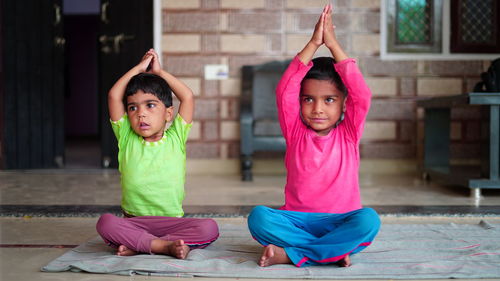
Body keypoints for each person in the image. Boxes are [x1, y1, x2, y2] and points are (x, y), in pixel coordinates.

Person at [247, 5, 380, 267]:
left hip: (341, 220)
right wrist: (313, 43)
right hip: (297, 220)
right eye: (308, 99)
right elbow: (285, 89)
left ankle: (293, 254)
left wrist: (332, 45)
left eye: (329, 99)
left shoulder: (349, 133)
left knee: (369, 221)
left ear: (343, 103)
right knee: (258, 218)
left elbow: (362, 94)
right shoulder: (295, 131)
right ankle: (331, 252)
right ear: (300, 102)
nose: (318, 108)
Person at [96, 49, 219, 258]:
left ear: (168, 113)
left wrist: (160, 73)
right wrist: (138, 69)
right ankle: (164, 247)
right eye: (133, 108)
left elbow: (187, 96)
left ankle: (142, 245)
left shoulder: (176, 137)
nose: (141, 113)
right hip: (133, 221)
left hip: (172, 222)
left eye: (150, 105)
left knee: (209, 227)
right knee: (105, 223)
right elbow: (113, 96)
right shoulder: (126, 138)